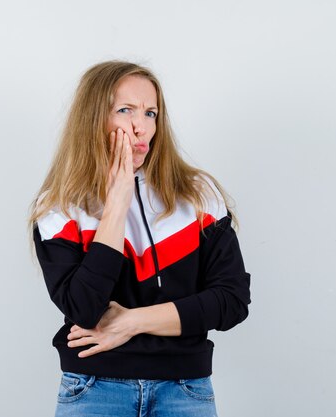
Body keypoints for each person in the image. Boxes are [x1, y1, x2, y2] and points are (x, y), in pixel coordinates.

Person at [28, 60, 251, 417]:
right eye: (125, 110)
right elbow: (84, 310)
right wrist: (117, 202)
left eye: (150, 113)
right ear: (93, 118)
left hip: (184, 389)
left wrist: (132, 322)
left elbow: (232, 301)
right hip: (93, 388)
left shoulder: (197, 195)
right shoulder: (58, 207)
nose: (140, 127)